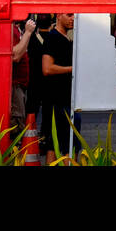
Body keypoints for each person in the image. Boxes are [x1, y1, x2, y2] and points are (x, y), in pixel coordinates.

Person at [42, 13, 74, 164]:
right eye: (69, 15)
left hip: (68, 97)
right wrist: (72, 69)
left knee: (66, 140)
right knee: (53, 141)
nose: (72, 18)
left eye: (74, 15)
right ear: (59, 15)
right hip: (55, 98)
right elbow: (47, 68)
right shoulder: (52, 37)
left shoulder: (68, 38)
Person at [11, 17, 36, 127]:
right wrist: (28, 32)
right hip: (14, 85)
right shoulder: (10, 29)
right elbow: (15, 56)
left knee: (20, 118)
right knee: (16, 122)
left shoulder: (16, 28)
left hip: (19, 84)